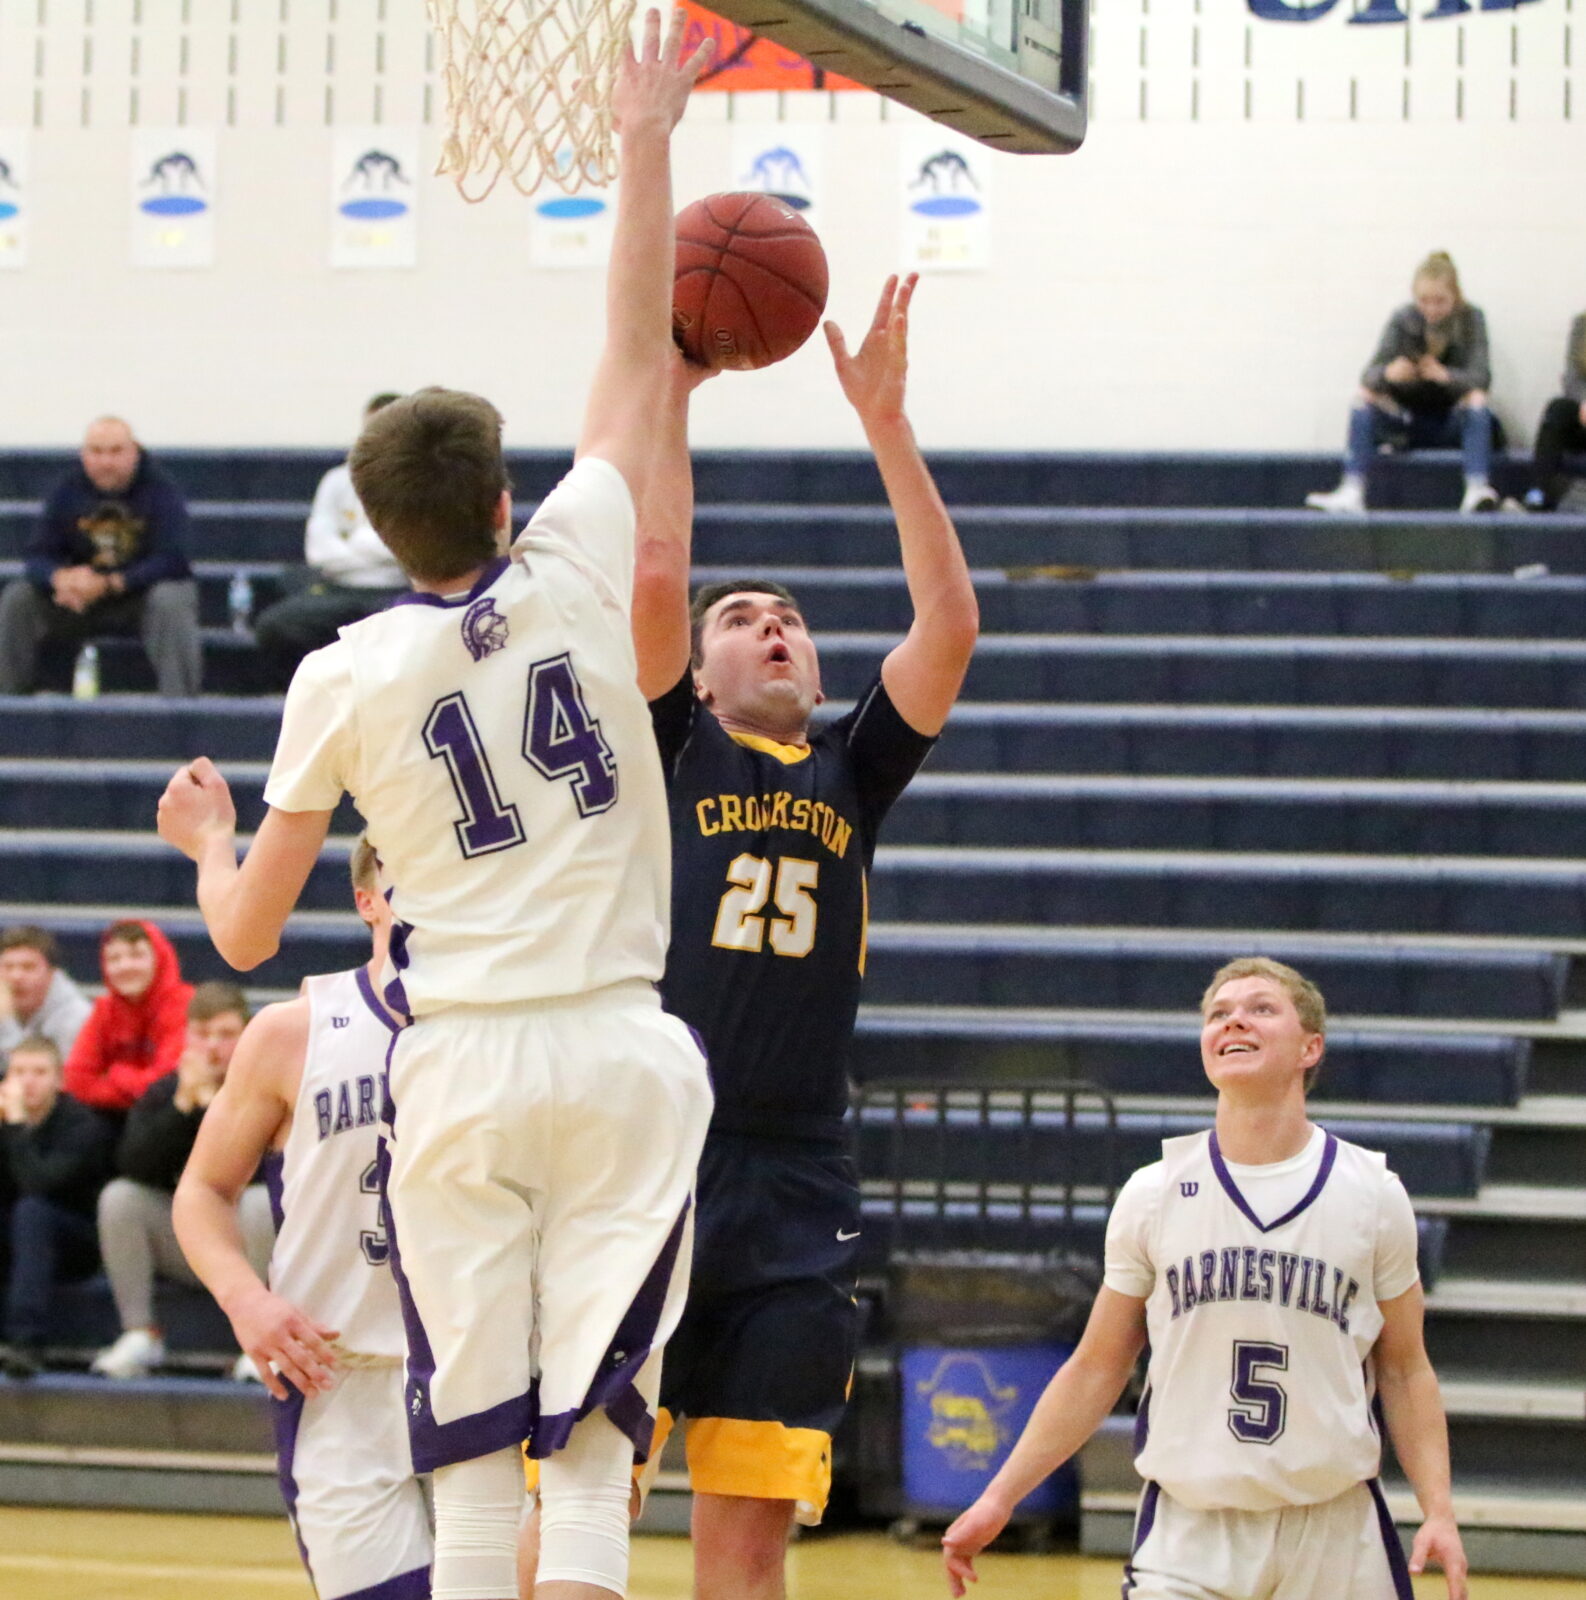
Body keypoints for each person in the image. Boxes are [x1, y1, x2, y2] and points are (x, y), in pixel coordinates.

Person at [154, 18, 716, 1600]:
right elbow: (633, 356)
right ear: (501, 500)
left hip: (455, 1066)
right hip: (614, 1044)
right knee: (587, 1468)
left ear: (372, 530)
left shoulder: (334, 674)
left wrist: (207, 846)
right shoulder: (576, 559)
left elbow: (246, 934)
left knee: (469, 1479)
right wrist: (645, 137)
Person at [592, 272, 978, 1600]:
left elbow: (950, 625)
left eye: (791, 619)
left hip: (798, 1179)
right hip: (646, 1156)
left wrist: (886, 425)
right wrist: (674, 388)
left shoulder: (852, 773)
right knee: (575, 1512)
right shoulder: (672, 749)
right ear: (698, 676)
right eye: (742, 620)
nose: (773, 627)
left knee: (747, 1550)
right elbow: (653, 569)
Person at [940, 957, 1469, 1600]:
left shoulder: (1373, 1194)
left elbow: (1406, 1370)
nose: (1234, 1020)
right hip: (1190, 1533)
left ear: (1310, 1048)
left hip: (1334, 1530)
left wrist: (1439, 1511)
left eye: (1260, 1008)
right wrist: (999, 1496)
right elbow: (1097, 1366)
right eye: (1219, 1013)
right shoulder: (1153, 1193)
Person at [173, 838, 432, 1600]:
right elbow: (202, 1190)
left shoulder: (504, 1027)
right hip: (339, 1379)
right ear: (366, 901)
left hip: (481, 1370)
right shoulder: (295, 1030)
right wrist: (245, 1300)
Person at [91, 980, 273, 1381]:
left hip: (250, 1243)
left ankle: (260, 1340)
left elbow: (269, 1172)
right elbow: (133, 1165)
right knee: (120, 1198)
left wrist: (210, 1107)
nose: (212, 1047)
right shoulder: (167, 1091)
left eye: (225, 1034)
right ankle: (140, 1334)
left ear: (247, 1035)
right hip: (187, 1242)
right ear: (187, 1037)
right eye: (202, 1034)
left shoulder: (266, 1090)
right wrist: (180, 1110)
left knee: (260, 1203)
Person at [0, 415, 202, 696]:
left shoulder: (161, 490)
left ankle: (181, 708)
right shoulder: (66, 490)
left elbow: (174, 559)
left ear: (134, 452)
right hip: (77, 602)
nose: (106, 462)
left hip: (138, 598)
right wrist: (59, 578)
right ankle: (8, 703)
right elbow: (37, 556)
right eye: (97, 452)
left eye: (116, 451)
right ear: (84, 455)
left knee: (172, 599)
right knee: (18, 598)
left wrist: (111, 583)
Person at [1306, 252, 1498, 516]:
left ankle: (1477, 487)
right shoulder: (1403, 319)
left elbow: (1482, 378)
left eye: (1440, 301)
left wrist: (1446, 376)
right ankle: (1352, 489)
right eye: (1424, 301)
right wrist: (1389, 374)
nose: (1431, 310)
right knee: (1363, 396)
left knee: (1477, 398)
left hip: (1451, 421)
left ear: (1455, 296)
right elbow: (1369, 375)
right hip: (1406, 421)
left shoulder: (1471, 319)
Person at [253, 392, 408, 690]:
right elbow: (319, 552)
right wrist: (374, 546)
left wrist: (355, 541)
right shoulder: (337, 480)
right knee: (276, 622)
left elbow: (410, 550)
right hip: (338, 587)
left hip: (395, 591)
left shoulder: (421, 483)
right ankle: (305, 696)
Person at [0, 1037, 114, 1377]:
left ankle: (25, 1342)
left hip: (76, 1242)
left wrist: (16, 1126)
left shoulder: (82, 1125)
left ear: (59, 1080)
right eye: (19, 1072)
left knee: (32, 1211)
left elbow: (39, 1183)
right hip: (17, 1240)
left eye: (39, 1072)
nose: (28, 1082)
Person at [63, 920, 193, 1122]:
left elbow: (167, 1085)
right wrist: (132, 1093)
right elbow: (77, 1080)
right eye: (114, 959)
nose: (125, 966)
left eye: (137, 955)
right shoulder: (105, 1009)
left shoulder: (184, 1005)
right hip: (117, 1117)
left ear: (160, 958)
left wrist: (118, 1074)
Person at [0, 926, 91, 1061]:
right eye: (8, 967)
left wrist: (5, 1022)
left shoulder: (76, 1018)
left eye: (28, 967)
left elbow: (30, 1070)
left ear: (52, 973)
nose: (16, 976)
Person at [1527, 312, 1586, 511]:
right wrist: (1584, 401)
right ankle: (1540, 491)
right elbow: (1571, 377)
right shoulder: (1582, 324)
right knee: (1557, 408)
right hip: (1583, 414)